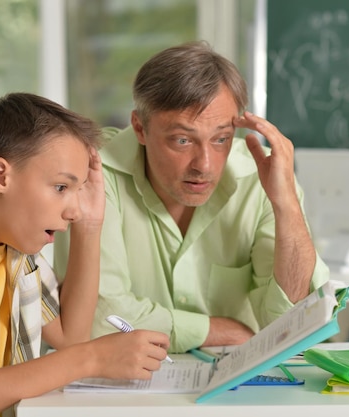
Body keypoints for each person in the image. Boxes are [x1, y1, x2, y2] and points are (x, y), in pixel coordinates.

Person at [53, 41, 330, 353]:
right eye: (183, 140)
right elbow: (99, 317)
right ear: (140, 128)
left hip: (239, 387)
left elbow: (294, 321)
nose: (205, 165)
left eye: (221, 139)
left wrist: (287, 204)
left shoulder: (262, 175)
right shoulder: (94, 173)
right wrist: (213, 330)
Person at [0, 93, 170, 417]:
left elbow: (70, 338)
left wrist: (91, 227)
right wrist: (91, 359)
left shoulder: (14, 246)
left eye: (78, 190)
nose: (74, 211)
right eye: (62, 188)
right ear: (0, 176)